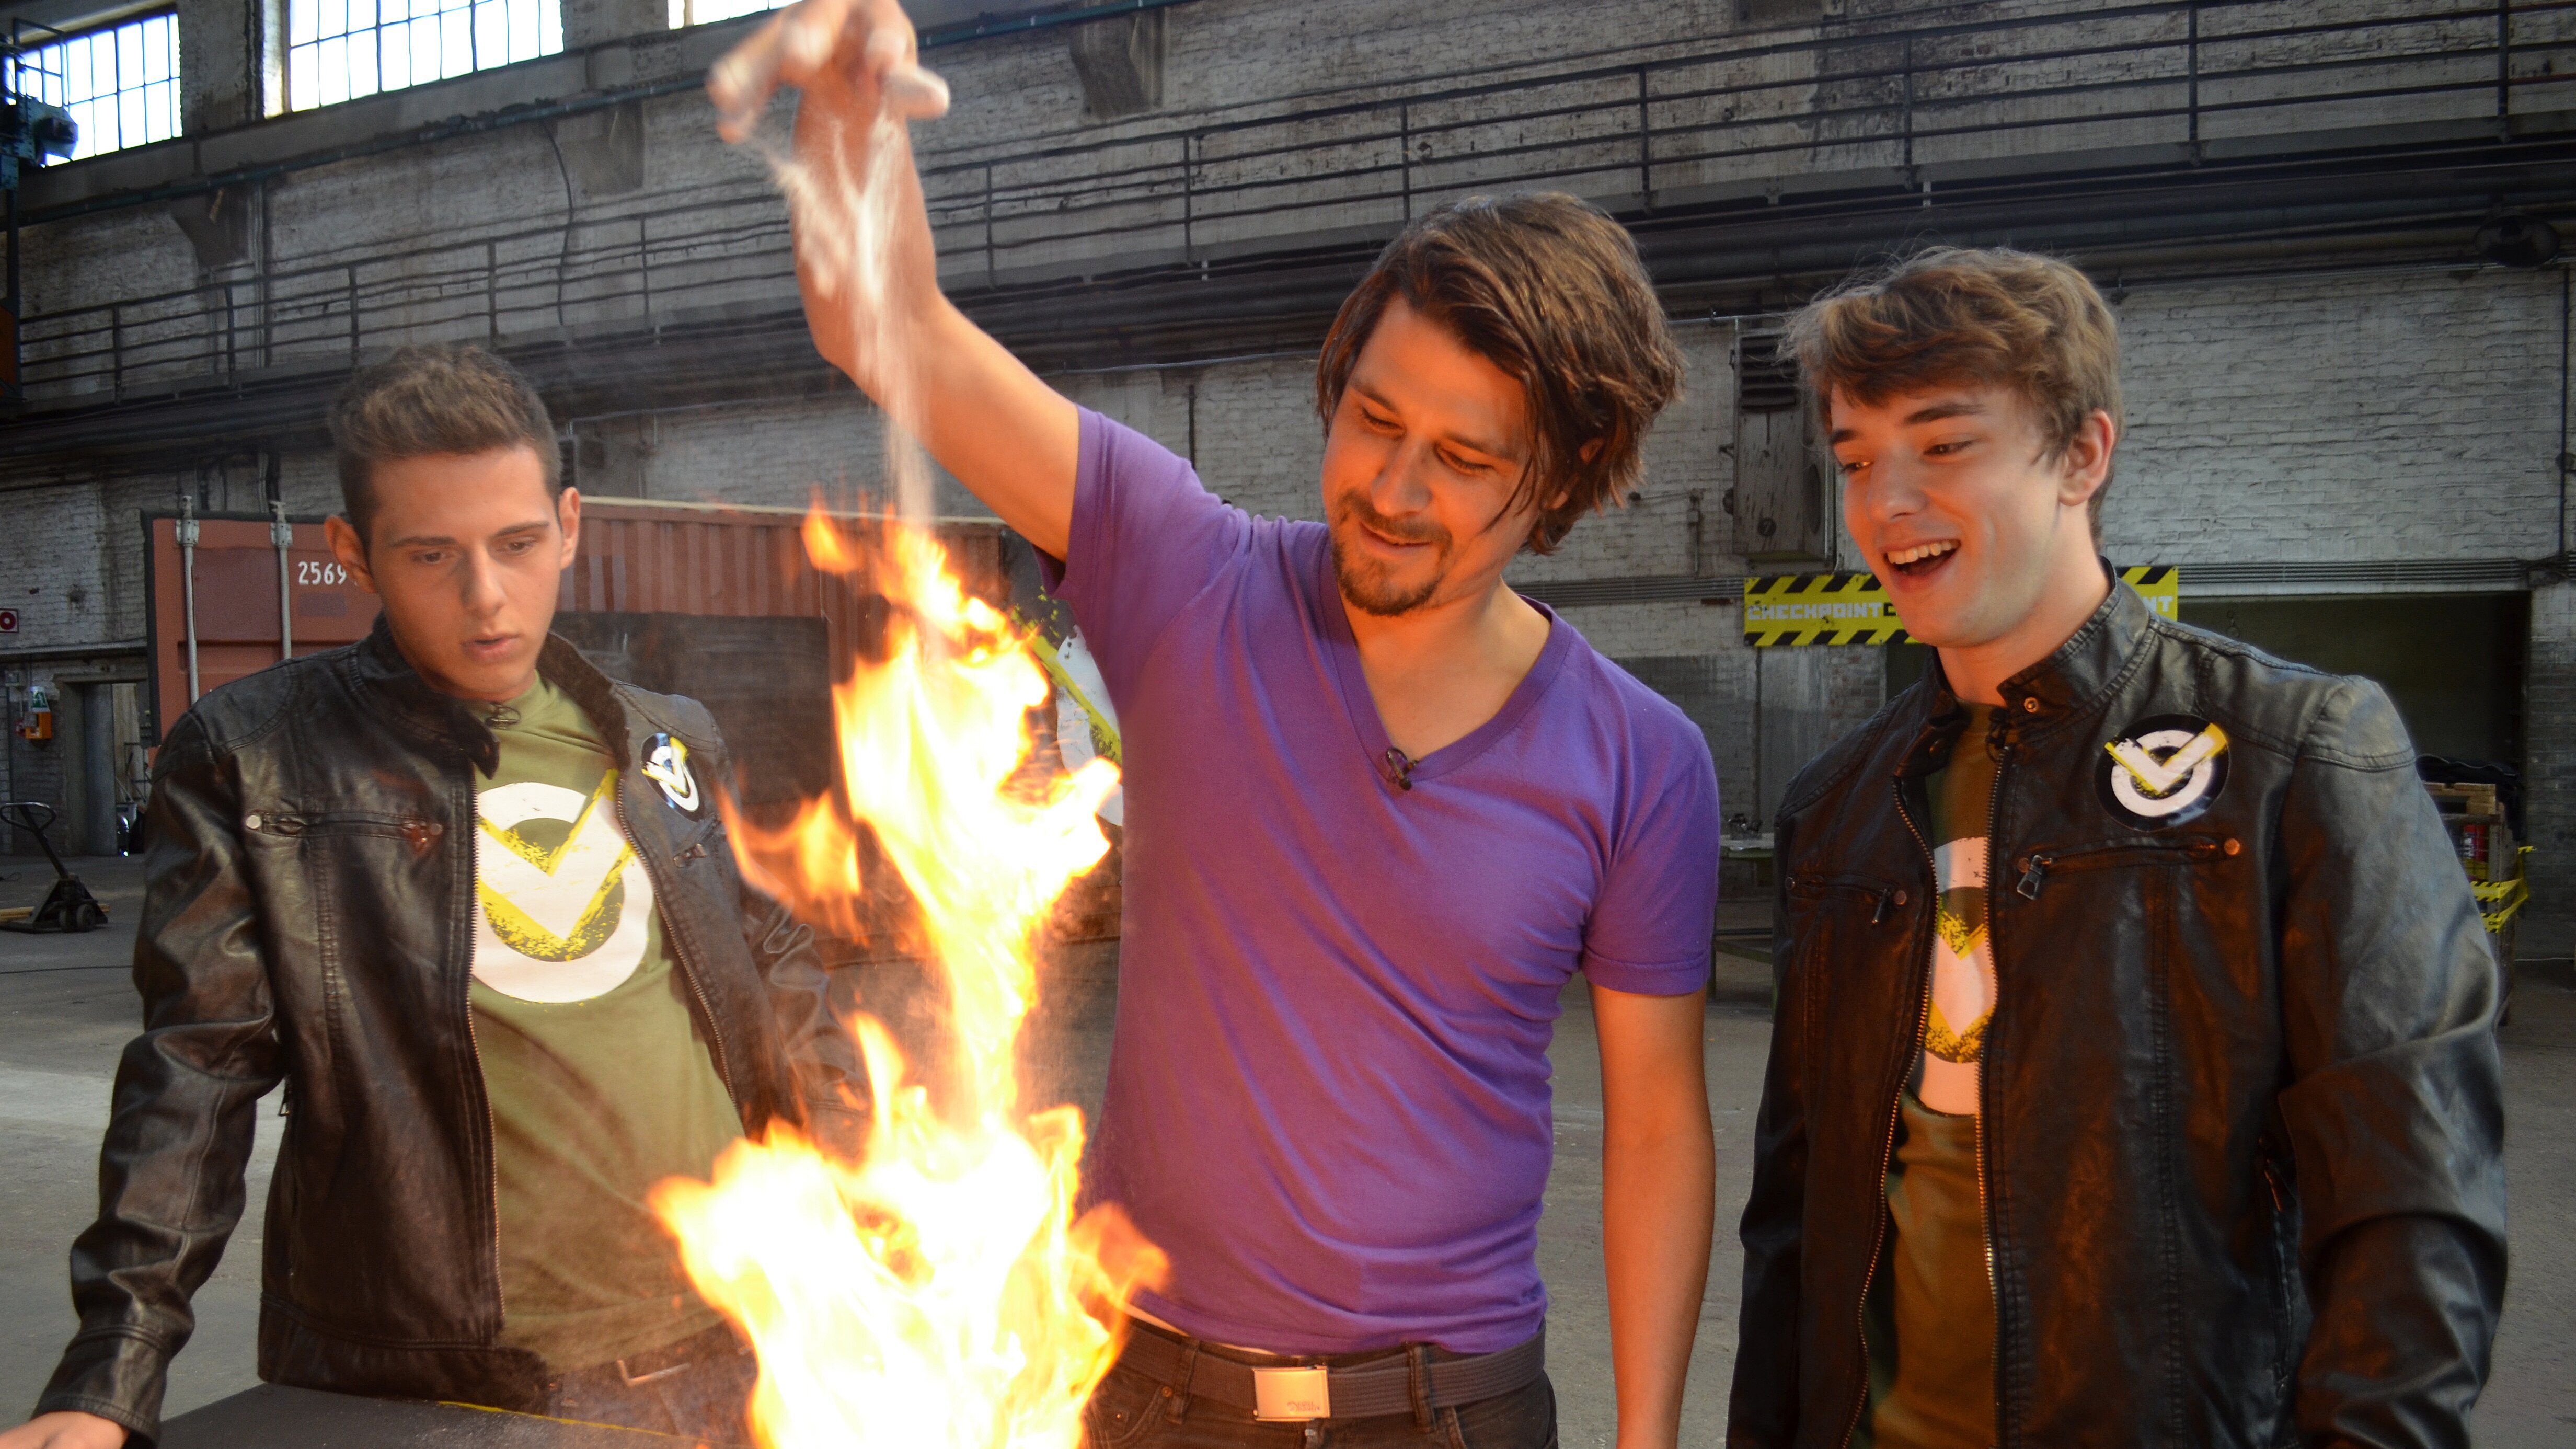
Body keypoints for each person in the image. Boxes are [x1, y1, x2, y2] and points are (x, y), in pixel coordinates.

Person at [716, 4, 1723, 1445]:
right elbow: (886, 326)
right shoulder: (1185, 573)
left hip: (1449, 1411)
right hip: (1149, 1394)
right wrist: (849, 119)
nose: (1392, 488)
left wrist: (1649, 1436)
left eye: (1462, 458)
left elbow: (1660, 1129)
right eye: (1373, 419)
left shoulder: (1640, 761)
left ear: (1563, 478)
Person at [4, 346, 860, 1449]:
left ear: (570, 526)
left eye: (517, 544)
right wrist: (107, 1373)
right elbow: (197, 1068)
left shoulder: (665, 737)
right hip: (447, 1377)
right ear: (352, 553)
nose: (487, 597)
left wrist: (874, 1213)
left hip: (739, 1330)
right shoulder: (255, 760)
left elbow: (777, 977)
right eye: (431, 555)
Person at [1727, 248, 2506, 1448]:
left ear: (2082, 455)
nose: (1886, 503)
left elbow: (2412, 1208)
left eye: (1944, 445)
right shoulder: (1838, 804)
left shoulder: (2292, 756)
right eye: (1857, 459)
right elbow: (1792, 1219)